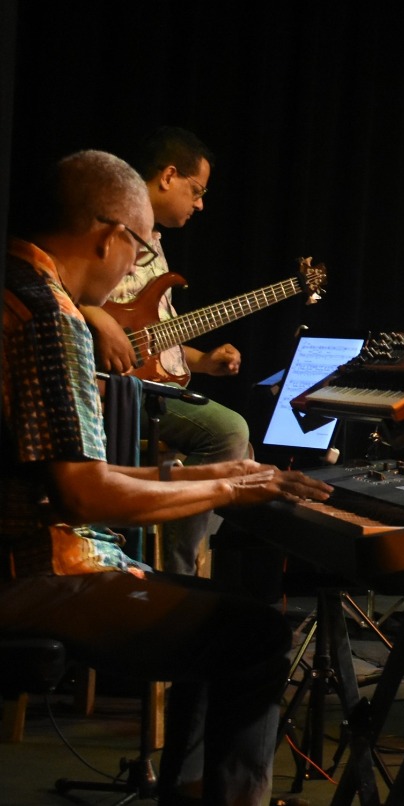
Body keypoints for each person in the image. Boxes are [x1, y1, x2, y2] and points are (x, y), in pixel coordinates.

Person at [1, 149, 333, 805]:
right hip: (35, 572)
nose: (136, 266)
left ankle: (186, 791)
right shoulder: (50, 315)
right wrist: (229, 487)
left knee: (230, 620)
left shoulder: (15, 288)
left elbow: (68, 471)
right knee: (257, 633)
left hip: (31, 558)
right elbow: (81, 494)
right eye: (142, 245)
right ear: (108, 236)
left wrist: (212, 477)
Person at [80, 127, 250, 578]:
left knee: (242, 451)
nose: (200, 205)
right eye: (196, 191)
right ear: (168, 176)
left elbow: (153, 338)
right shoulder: (105, 223)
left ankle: (183, 561)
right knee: (231, 431)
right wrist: (96, 318)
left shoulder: (155, 244)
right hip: (110, 386)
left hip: (152, 382)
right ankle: (176, 577)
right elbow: (57, 284)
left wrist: (203, 362)